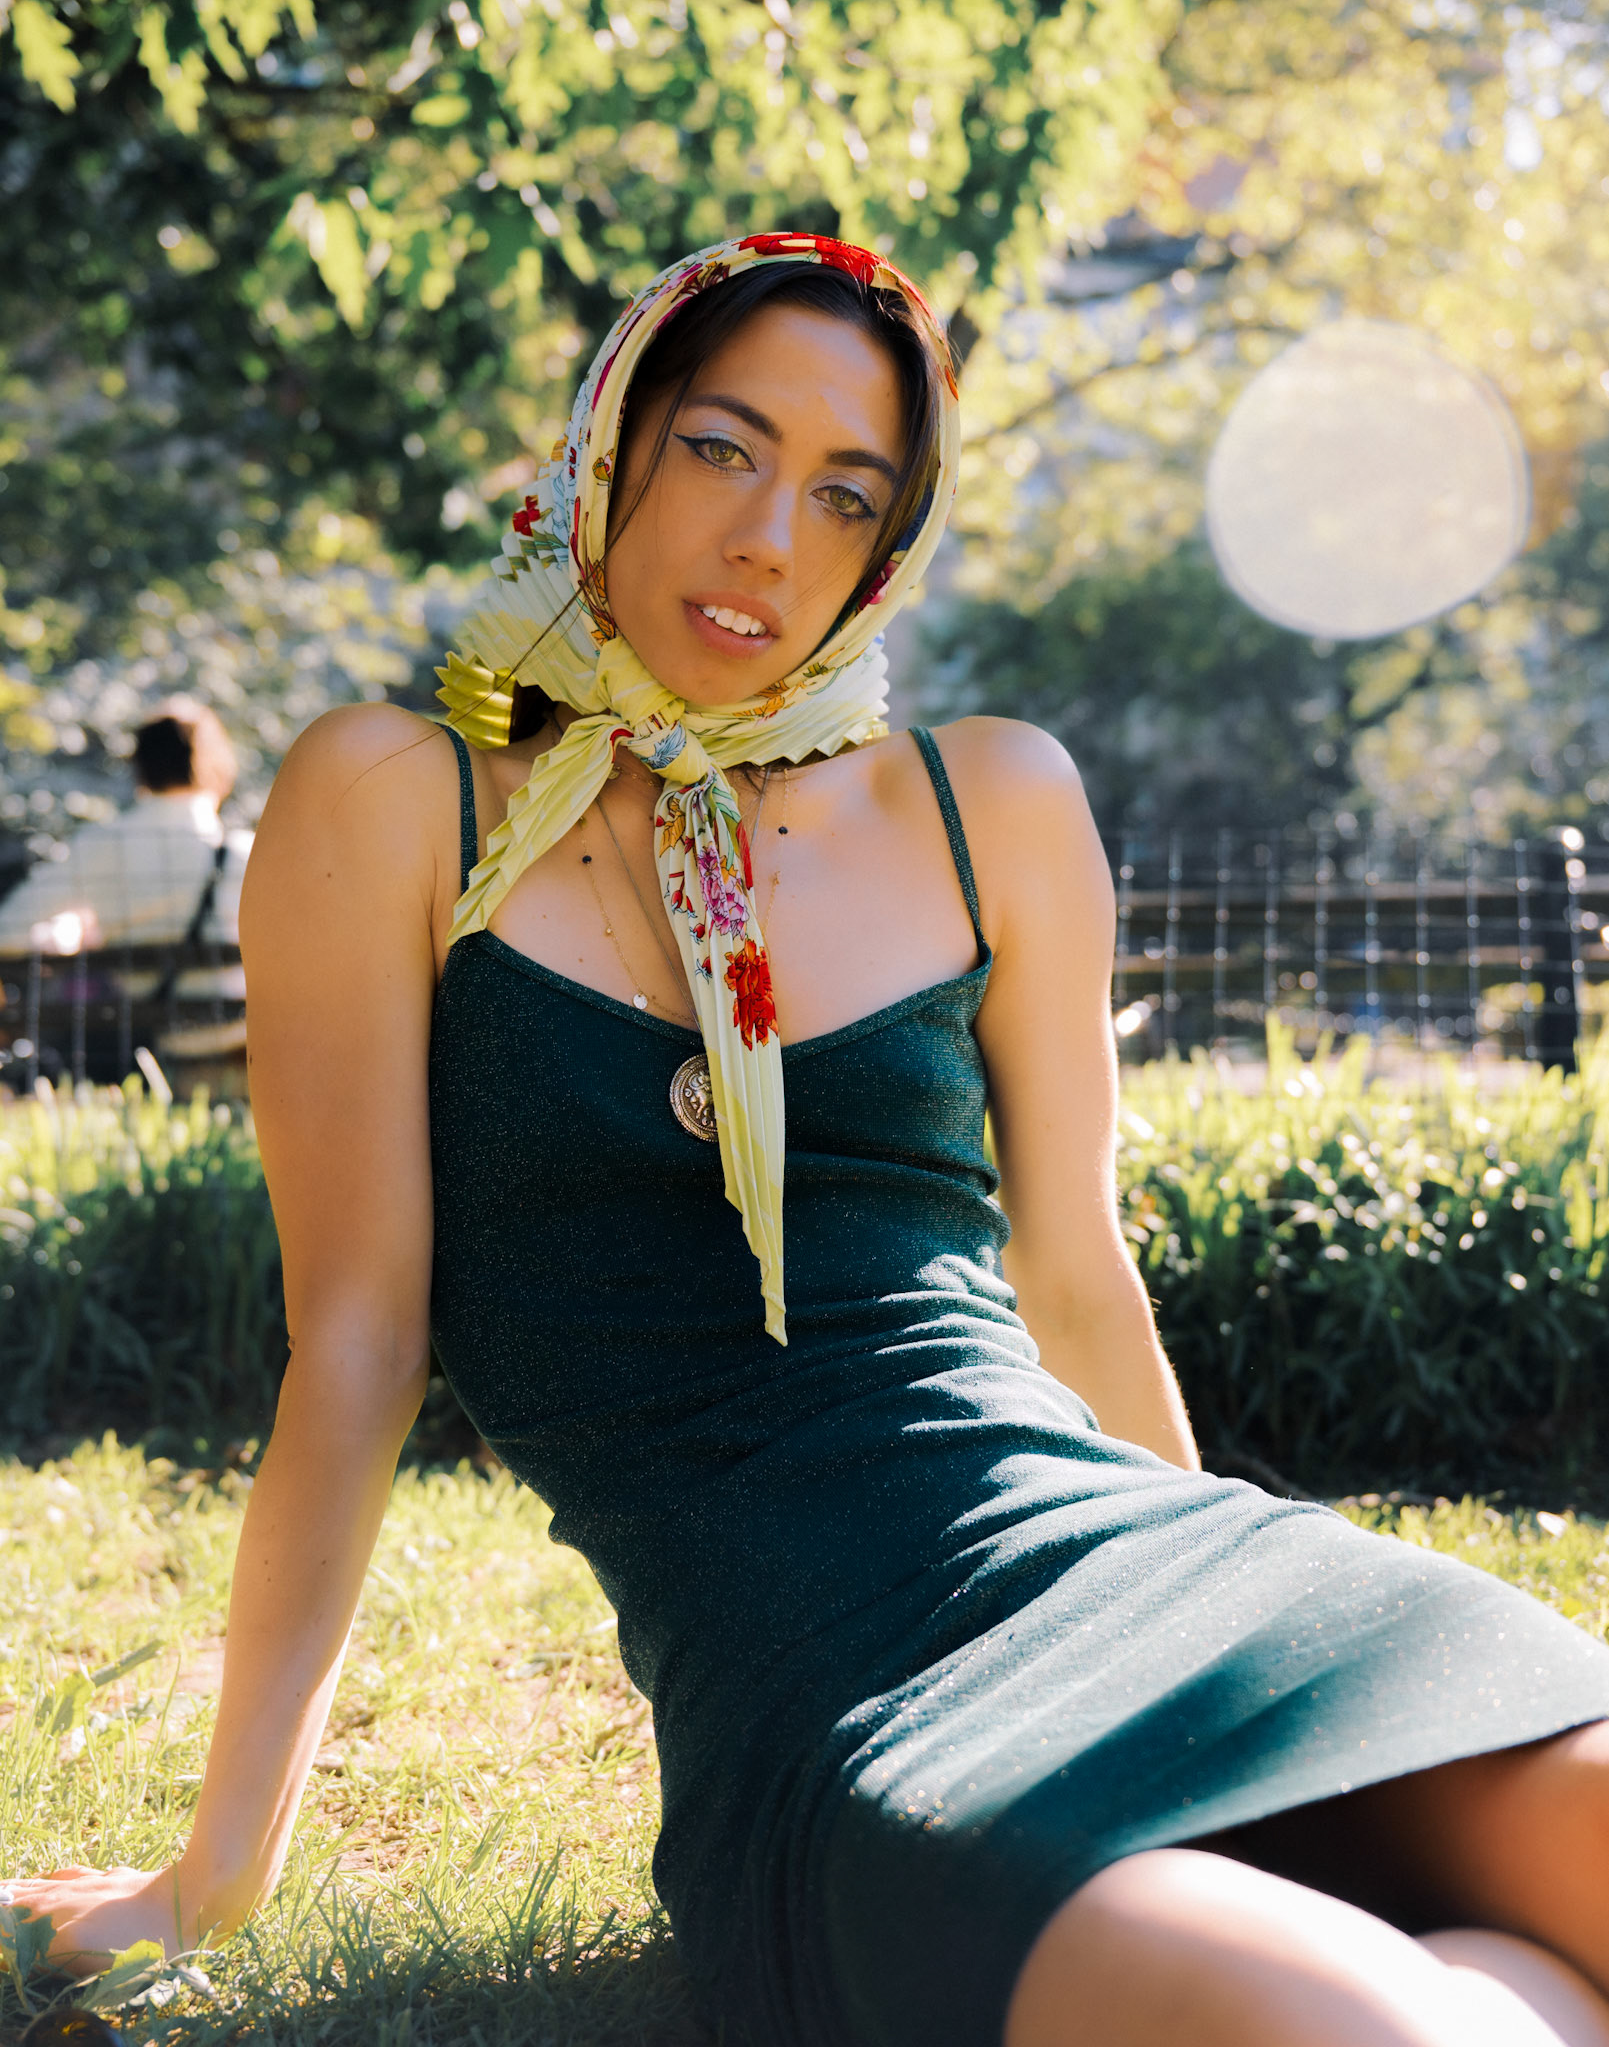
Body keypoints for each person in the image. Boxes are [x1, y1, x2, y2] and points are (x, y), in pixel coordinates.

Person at [10, 233, 1609, 2047]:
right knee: (1373, 2025)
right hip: (856, 1708)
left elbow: (1075, 1275)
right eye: (721, 447)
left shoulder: (987, 797)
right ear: (609, 441)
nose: (771, 535)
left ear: (888, 542)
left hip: (1171, 1575)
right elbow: (357, 1344)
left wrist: (1209, 1622)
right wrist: (210, 1875)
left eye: (846, 492)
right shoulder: (393, 798)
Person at [0, 699, 251, 960]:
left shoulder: (101, 844)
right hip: (234, 988)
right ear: (219, 766)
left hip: (132, 988)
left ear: (139, 766)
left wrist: (64, 937)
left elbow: (7, 932)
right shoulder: (248, 854)